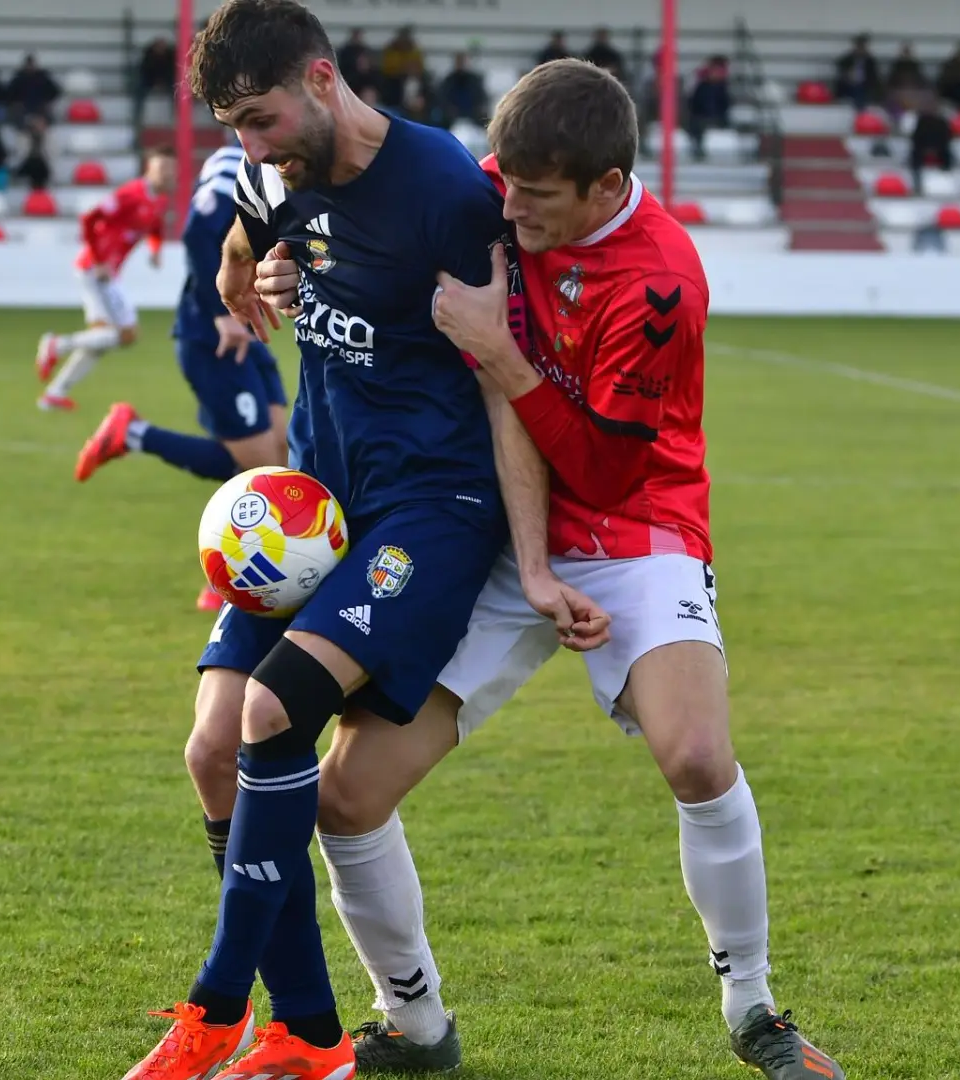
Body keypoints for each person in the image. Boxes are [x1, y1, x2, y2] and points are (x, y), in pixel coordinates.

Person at [250, 58, 845, 1080]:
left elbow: (605, 465)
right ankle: (418, 1026)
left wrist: (501, 352)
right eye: (506, 180)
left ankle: (753, 1008)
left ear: (607, 187)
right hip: (493, 530)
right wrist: (284, 268)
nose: (509, 205)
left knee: (697, 757)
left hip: (635, 526)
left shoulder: (662, 284)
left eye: (536, 195)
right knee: (347, 795)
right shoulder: (497, 187)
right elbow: (320, 211)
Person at [117, 5, 604, 1080]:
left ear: (324, 80)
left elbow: (506, 387)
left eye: (261, 117)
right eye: (233, 127)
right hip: (315, 509)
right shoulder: (277, 171)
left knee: (272, 711)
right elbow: (250, 230)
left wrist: (529, 563)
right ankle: (309, 1030)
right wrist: (256, 270)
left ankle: (213, 1005)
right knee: (211, 752)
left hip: (427, 516)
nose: (251, 144)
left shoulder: (444, 194)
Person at [73, 143, 292, 612]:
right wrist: (222, 315)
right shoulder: (242, 165)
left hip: (248, 335)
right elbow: (197, 234)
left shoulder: (269, 161)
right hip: (214, 341)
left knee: (280, 460)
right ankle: (227, 580)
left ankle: (132, 433)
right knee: (255, 468)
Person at [33, 147, 176, 411]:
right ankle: (56, 344)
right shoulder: (130, 194)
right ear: (149, 169)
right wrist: (99, 260)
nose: (167, 174)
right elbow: (89, 219)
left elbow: (155, 227)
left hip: (109, 274)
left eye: (170, 169)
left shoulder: (160, 199)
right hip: (94, 270)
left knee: (111, 338)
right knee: (120, 334)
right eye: (162, 169)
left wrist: (156, 251)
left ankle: (54, 393)